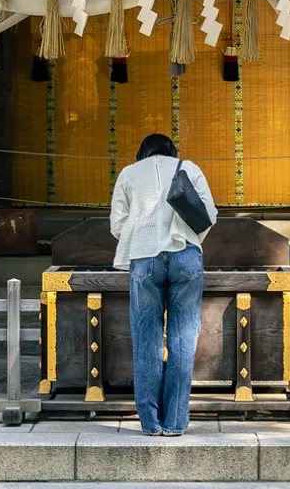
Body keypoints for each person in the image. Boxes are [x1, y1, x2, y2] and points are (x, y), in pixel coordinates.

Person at [108, 132, 218, 436]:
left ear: (143, 152)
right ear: (172, 151)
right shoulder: (189, 168)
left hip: (144, 259)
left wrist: (140, 237)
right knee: (183, 340)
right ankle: (175, 422)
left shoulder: (129, 174)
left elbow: (117, 224)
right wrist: (192, 241)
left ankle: (150, 423)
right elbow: (209, 215)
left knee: (146, 340)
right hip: (186, 255)